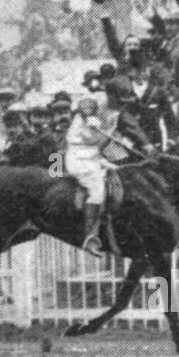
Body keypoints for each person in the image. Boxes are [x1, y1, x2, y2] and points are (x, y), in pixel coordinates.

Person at [63, 95, 112, 258]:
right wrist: (101, 133)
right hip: (80, 160)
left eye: (91, 107)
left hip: (90, 156)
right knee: (97, 192)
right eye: (85, 108)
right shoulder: (80, 122)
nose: (88, 110)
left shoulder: (92, 121)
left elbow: (98, 142)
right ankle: (90, 235)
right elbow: (92, 139)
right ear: (79, 109)